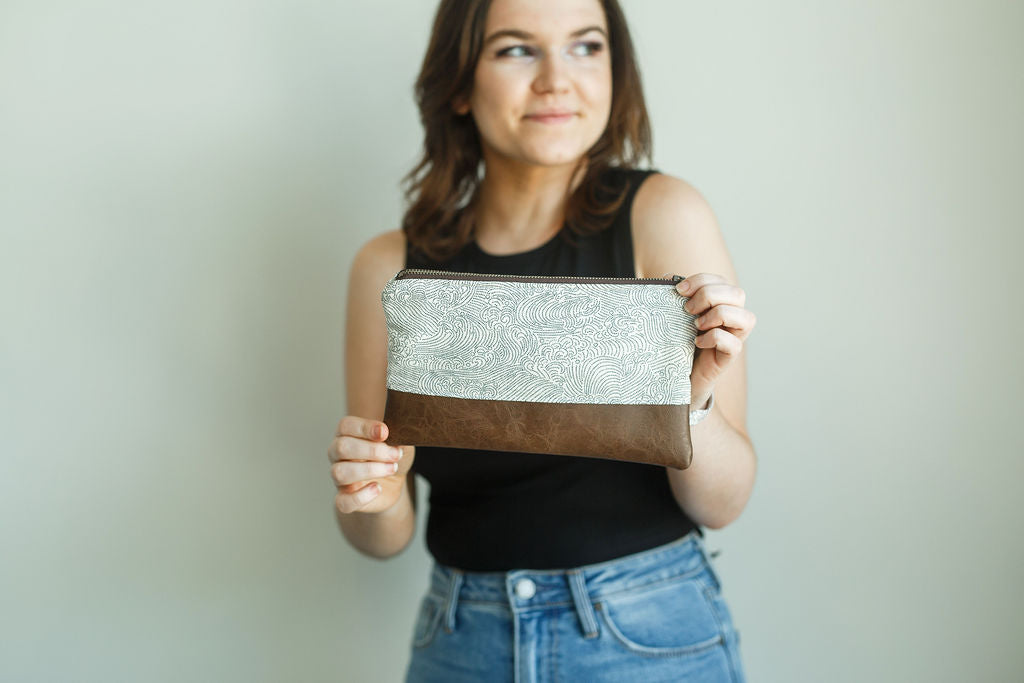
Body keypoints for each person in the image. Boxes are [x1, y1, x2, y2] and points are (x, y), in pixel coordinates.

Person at [328, 0, 758, 680]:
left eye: (586, 46)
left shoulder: (665, 216)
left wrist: (691, 402)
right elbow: (383, 532)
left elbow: (724, 502)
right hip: (459, 638)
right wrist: (372, 497)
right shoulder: (389, 268)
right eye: (516, 49)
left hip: (643, 632)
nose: (558, 78)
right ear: (460, 83)